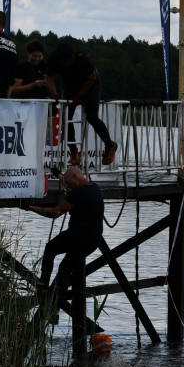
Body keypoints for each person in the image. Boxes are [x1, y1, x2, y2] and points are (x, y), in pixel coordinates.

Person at [26, 166, 104, 310]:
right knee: (64, 269)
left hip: (78, 236)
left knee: (50, 249)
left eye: (68, 182)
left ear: (75, 177)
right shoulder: (95, 188)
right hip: (93, 240)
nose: (66, 185)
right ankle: (53, 308)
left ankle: (42, 288)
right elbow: (70, 187)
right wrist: (59, 175)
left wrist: (29, 207)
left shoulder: (78, 194)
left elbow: (54, 213)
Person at [46, 43, 118, 166]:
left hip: (91, 84)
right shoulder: (53, 58)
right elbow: (50, 78)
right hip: (69, 85)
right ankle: (74, 152)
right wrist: (54, 95)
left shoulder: (84, 59)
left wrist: (79, 96)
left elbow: (91, 78)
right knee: (65, 117)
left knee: (92, 116)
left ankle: (110, 145)